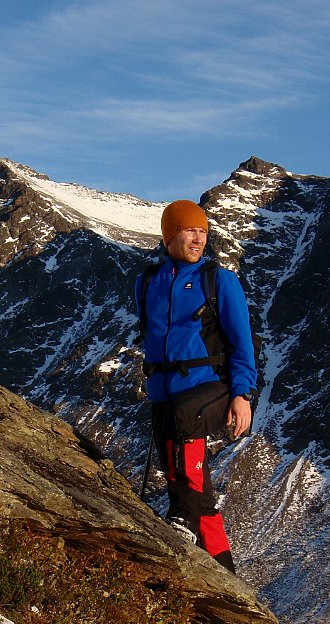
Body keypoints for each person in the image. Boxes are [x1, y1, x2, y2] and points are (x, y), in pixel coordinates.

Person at [135, 199, 258, 573]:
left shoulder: (219, 280)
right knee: (182, 479)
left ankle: (182, 521)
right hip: (165, 392)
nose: (198, 238)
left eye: (203, 231)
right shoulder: (147, 282)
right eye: (190, 230)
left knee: (184, 416)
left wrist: (242, 395)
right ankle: (224, 570)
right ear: (170, 234)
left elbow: (242, 342)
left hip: (212, 386)